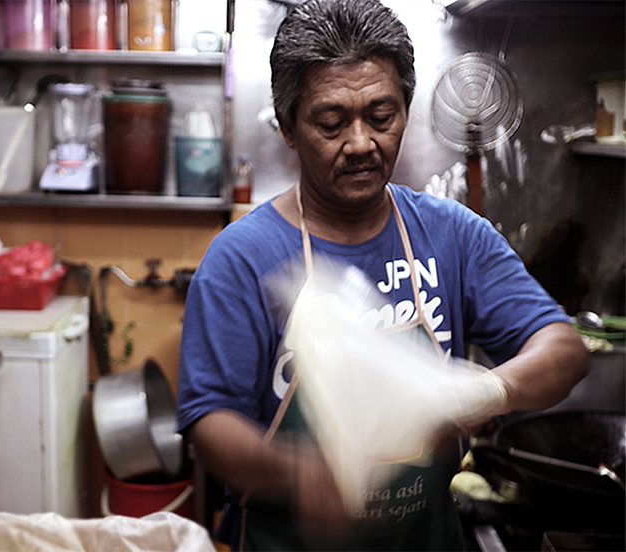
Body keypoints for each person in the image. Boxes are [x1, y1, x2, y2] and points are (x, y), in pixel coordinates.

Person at [176, 0, 589, 550]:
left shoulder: (451, 236)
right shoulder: (241, 258)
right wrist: (298, 474)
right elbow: (209, 422)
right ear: (288, 128)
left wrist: (491, 389)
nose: (361, 143)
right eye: (331, 122)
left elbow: (565, 350)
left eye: (381, 116)